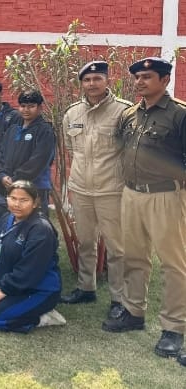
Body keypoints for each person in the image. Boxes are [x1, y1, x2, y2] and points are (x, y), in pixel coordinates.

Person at [102, 57, 186, 365]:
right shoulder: (130, 114)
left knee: (173, 264)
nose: (139, 81)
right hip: (131, 194)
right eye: (137, 76)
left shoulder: (179, 115)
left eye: (147, 76)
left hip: (166, 196)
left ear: (164, 80)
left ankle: (174, 328)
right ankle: (133, 311)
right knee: (134, 257)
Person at [60, 61, 131, 320]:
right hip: (81, 189)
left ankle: (119, 299)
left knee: (117, 247)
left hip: (111, 190)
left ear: (106, 80)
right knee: (86, 242)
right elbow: (71, 148)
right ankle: (86, 288)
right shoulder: (72, 114)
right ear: (82, 83)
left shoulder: (124, 111)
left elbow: (131, 149)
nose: (92, 84)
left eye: (97, 78)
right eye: (87, 80)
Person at [0, 180, 65, 333]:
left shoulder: (41, 230)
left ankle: (42, 318)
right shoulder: (6, 219)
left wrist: (4, 290)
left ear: (35, 203)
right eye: (13, 198)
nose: (17, 204)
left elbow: (30, 270)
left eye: (24, 200)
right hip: (13, 283)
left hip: (38, 289)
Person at [0, 90, 55, 213]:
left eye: (31, 106)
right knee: (13, 220)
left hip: (35, 187)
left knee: (35, 221)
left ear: (40, 108)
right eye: (23, 106)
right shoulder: (13, 129)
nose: (26, 110)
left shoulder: (45, 131)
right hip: (9, 185)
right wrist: (1, 175)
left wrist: (15, 178)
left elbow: (39, 161)